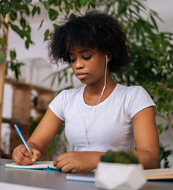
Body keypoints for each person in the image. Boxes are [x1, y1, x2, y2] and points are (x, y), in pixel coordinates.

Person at [12, 11, 160, 172]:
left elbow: (151, 158)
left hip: (115, 186)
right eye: (73, 59)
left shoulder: (133, 97)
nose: (77, 65)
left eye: (86, 56)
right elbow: (35, 144)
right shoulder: (65, 99)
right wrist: (25, 151)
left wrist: (97, 159)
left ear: (108, 55)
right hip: (72, 184)